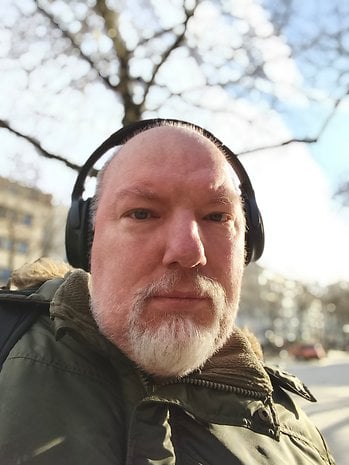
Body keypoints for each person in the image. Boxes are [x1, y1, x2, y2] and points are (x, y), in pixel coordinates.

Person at [0, 119, 335, 464]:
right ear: (86, 241)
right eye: (142, 213)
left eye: (217, 217)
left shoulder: (298, 440)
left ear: (247, 248)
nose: (189, 251)